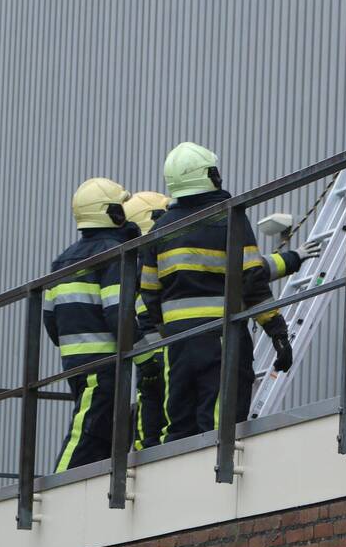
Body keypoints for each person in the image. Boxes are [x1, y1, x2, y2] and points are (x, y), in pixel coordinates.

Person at [125, 190, 323, 449]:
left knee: (173, 423)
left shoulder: (147, 258)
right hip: (206, 343)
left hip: (172, 355)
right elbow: (249, 272)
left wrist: (291, 258)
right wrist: (292, 260)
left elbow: (246, 270)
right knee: (214, 417)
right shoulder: (194, 234)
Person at [139, 142, 298, 443]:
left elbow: (148, 294)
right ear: (208, 175)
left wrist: (173, 329)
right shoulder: (229, 218)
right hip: (221, 337)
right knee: (218, 423)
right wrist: (277, 331)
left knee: (180, 423)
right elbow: (251, 279)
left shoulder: (157, 233)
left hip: (178, 342)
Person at [44, 177, 158, 471]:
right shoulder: (114, 256)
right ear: (113, 213)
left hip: (75, 359)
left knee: (103, 429)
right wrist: (147, 360)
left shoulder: (62, 261)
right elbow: (118, 314)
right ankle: (56, 489)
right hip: (104, 361)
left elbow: (50, 321)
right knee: (88, 429)